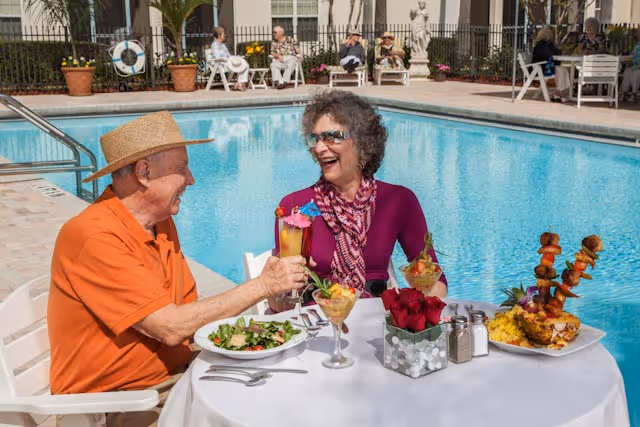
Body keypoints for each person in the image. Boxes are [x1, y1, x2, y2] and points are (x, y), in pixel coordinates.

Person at [48, 111, 308, 425]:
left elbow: (188, 313)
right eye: (181, 168)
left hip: (175, 378)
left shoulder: (159, 223)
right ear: (144, 172)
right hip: (120, 402)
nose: (191, 179)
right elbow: (170, 327)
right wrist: (261, 286)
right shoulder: (94, 236)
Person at [273, 90, 448, 307]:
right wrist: (280, 289)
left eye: (332, 136)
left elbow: (436, 283)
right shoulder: (294, 207)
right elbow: (279, 302)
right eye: (315, 138)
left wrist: (415, 307)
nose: (319, 148)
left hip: (375, 323)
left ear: (362, 142)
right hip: (315, 325)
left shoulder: (398, 200)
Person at [532, 26, 571, 103]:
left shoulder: (547, 44)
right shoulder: (541, 44)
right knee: (561, 70)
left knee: (563, 69)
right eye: (553, 33)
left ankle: (560, 92)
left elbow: (555, 53)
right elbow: (549, 54)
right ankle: (560, 92)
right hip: (541, 68)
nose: (554, 35)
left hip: (544, 67)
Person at [210, 26, 249, 91]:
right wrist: (225, 59)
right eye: (223, 33)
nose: (224, 35)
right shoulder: (214, 45)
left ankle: (239, 83)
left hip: (227, 63)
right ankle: (239, 84)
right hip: (220, 65)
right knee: (242, 65)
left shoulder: (223, 45)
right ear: (219, 35)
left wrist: (236, 58)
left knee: (245, 64)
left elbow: (229, 56)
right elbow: (217, 57)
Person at [621, 28, 640, 102]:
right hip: (634, 65)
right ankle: (624, 92)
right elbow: (632, 55)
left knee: (636, 72)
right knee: (627, 71)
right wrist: (629, 62)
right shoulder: (637, 44)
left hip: (638, 67)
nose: (637, 34)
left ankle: (634, 93)